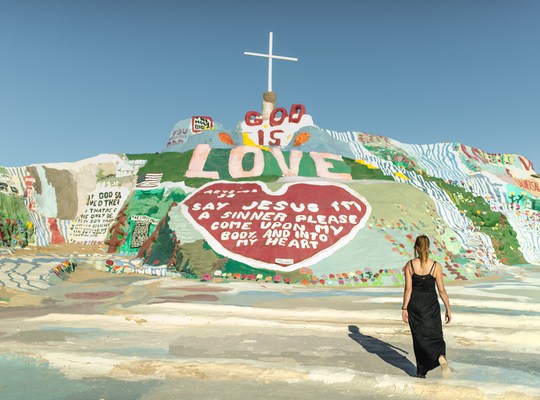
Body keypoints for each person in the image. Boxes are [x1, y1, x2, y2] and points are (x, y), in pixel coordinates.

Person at [401, 234, 452, 378]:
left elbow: (408, 289)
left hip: (415, 304)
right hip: (431, 303)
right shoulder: (436, 266)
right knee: (434, 334)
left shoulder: (410, 265)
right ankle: (440, 355)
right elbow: (442, 290)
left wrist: (404, 308)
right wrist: (448, 308)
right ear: (428, 247)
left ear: (416, 247)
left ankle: (421, 371)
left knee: (419, 338)